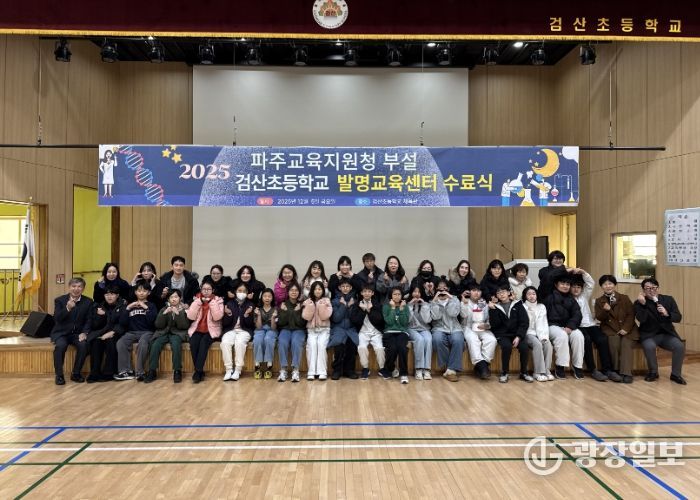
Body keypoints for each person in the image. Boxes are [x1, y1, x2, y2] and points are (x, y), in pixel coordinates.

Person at [570, 270, 622, 382]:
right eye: (573, 287)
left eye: (578, 287)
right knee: (587, 340)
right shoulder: (567, 299)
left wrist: (582, 272)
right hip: (578, 326)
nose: (576, 289)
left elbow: (590, 283)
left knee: (602, 339)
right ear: (570, 288)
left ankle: (607, 370)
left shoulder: (584, 296)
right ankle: (593, 370)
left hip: (591, 324)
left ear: (582, 289)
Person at [634, 278, 686, 385]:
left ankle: (675, 374)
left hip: (666, 333)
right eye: (648, 288)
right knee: (649, 346)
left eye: (654, 287)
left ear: (658, 288)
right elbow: (641, 319)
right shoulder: (639, 302)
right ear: (643, 290)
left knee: (679, 346)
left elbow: (678, 317)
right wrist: (643, 304)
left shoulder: (668, 299)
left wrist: (667, 313)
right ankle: (653, 372)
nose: (651, 290)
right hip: (649, 334)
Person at [594, 275, 638, 384]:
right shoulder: (599, 301)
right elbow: (599, 317)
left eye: (610, 283)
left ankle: (626, 373)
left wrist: (625, 329)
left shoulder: (624, 298)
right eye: (605, 284)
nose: (608, 286)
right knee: (614, 342)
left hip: (628, 329)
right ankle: (616, 371)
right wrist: (605, 310)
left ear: (614, 285)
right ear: (601, 286)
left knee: (626, 344)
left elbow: (631, 315)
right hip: (610, 329)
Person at [50, 277, 93, 385]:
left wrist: (85, 332)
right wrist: (67, 308)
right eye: (74, 286)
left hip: (77, 334)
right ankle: (59, 375)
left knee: (83, 345)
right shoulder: (60, 300)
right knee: (60, 346)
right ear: (69, 287)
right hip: (61, 333)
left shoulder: (88, 302)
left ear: (83, 288)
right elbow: (57, 319)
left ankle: (76, 373)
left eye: (79, 286)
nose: (76, 289)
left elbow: (89, 320)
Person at [488, 285, 533, 383]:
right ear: (496, 296)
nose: (501, 294)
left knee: (524, 347)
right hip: (502, 334)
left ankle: (524, 372)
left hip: (517, 333)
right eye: (499, 293)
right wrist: (493, 310)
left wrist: (519, 336)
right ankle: (504, 372)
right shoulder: (495, 307)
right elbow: (495, 324)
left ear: (509, 293)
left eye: (503, 292)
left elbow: (524, 322)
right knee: (506, 346)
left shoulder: (518, 305)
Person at [543, 274, 585, 379]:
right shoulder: (548, 296)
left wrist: (570, 326)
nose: (565, 286)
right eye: (562, 283)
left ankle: (577, 366)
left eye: (567, 284)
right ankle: (560, 366)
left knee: (578, 335)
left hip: (567, 326)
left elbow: (577, 315)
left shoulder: (571, 299)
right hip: (551, 326)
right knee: (562, 335)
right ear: (556, 285)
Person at [114, 280, 157, 381]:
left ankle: (140, 372)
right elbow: (123, 322)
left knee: (143, 343)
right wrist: (128, 308)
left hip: (147, 332)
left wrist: (145, 307)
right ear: (135, 292)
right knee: (121, 342)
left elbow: (153, 321)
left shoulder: (151, 305)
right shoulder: (130, 305)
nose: (141, 293)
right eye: (139, 291)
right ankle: (126, 371)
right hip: (132, 332)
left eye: (144, 291)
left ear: (149, 293)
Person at [145, 289, 190, 383]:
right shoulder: (164, 309)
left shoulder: (184, 310)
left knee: (176, 345)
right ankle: (152, 371)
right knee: (155, 344)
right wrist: (164, 314)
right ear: (168, 299)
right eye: (171, 297)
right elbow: (158, 325)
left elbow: (184, 326)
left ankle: (177, 371)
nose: (173, 299)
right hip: (163, 332)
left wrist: (178, 314)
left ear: (180, 298)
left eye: (176, 297)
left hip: (177, 333)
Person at [86, 285, 126, 383]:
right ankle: (94, 373)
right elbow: (95, 325)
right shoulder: (99, 306)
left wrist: (113, 331)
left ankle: (109, 373)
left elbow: (123, 323)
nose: (109, 296)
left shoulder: (123, 306)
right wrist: (100, 317)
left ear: (117, 295)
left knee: (111, 341)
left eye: (112, 294)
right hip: (102, 332)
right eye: (107, 294)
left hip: (117, 332)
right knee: (96, 343)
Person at [186, 281, 224, 383]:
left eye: (209, 289)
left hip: (211, 330)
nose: (206, 291)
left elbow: (217, 317)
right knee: (193, 343)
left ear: (213, 290)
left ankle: (198, 371)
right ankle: (199, 371)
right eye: (204, 289)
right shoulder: (196, 299)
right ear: (201, 289)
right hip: (197, 329)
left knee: (203, 343)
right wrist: (198, 302)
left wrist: (211, 302)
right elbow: (190, 316)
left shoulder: (218, 300)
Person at [430, 278, 464, 382]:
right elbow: (435, 316)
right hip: (439, 327)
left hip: (454, 327)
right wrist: (435, 301)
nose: (442, 291)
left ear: (448, 289)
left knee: (458, 340)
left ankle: (451, 370)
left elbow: (453, 313)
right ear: (436, 289)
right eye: (439, 288)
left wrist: (451, 298)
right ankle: (450, 367)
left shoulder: (454, 299)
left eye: (444, 288)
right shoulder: (433, 301)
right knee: (437, 339)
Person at [461, 283, 496, 380]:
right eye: (474, 290)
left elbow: (488, 319)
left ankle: (481, 365)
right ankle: (483, 367)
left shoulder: (484, 303)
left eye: (478, 291)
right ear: (469, 292)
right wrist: (464, 304)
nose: (476, 293)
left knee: (492, 340)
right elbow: (463, 316)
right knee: (473, 340)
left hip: (481, 327)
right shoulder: (465, 301)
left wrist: (487, 325)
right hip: (468, 327)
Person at [221, 282, 256, 381]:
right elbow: (225, 323)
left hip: (244, 330)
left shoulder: (250, 305)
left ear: (247, 293)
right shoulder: (229, 304)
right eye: (240, 291)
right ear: (235, 292)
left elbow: (250, 324)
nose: (242, 293)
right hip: (231, 330)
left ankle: (238, 369)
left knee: (240, 343)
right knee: (225, 343)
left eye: (244, 291)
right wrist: (228, 314)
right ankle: (228, 370)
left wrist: (246, 315)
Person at [350, 283, 386, 379]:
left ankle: (382, 368)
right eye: (365, 291)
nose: (367, 293)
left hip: (376, 332)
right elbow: (354, 320)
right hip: (363, 332)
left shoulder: (377, 304)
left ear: (372, 293)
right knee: (361, 347)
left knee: (379, 348)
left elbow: (380, 320)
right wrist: (363, 310)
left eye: (369, 291)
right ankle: (365, 368)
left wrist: (370, 311)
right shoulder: (357, 304)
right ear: (361, 293)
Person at [329, 277, 360, 380]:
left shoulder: (355, 301)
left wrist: (350, 306)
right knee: (339, 346)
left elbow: (354, 319)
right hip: (338, 329)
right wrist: (343, 305)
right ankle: (337, 370)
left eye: (347, 286)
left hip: (351, 329)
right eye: (343, 286)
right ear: (339, 287)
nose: (345, 288)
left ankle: (349, 370)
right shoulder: (334, 301)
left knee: (352, 345)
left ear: (351, 288)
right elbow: (336, 318)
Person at [522, 286, 554, 382]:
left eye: (533, 294)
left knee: (548, 344)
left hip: (539, 333)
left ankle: (547, 371)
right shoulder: (522, 306)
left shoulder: (541, 306)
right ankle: (538, 372)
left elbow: (543, 323)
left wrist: (543, 337)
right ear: (525, 296)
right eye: (529, 294)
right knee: (537, 344)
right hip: (528, 333)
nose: (531, 296)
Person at [302, 281, 333, 380]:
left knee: (321, 346)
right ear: (312, 290)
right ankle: (311, 372)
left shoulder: (327, 301)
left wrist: (320, 305)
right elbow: (306, 317)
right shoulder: (308, 302)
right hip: (312, 330)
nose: (317, 291)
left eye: (319, 289)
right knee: (312, 346)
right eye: (315, 289)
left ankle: (322, 372)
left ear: (323, 290)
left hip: (324, 329)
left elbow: (325, 316)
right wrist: (310, 306)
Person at [276, 282, 306, 382]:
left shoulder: (302, 305)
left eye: (296, 290)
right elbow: (281, 322)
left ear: (299, 292)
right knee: (282, 342)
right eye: (291, 290)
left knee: (296, 342)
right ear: (288, 292)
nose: (294, 292)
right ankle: (283, 369)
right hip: (285, 329)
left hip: (299, 330)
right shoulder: (283, 304)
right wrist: (285, 311)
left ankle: (296, 370)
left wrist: (297, 312)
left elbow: (301, 323)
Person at [382, 287, 411, 384]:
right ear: (391, 296)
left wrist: (402, 309)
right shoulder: (386, 307)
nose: (397, 296)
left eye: (399, 294)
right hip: (389, 332)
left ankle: (403, 374)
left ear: (402, 296)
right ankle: (391, 368)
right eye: (395, 294)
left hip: (402, 332)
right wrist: (393, 308)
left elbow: (404, 323)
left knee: (402, 348)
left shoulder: (405, 306)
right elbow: (389, 322)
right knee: (392, 348)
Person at [407, 285, 433, 380]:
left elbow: (427, 320)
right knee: (420, 339)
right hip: (411, 329)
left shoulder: (426, 304)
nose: (416, 294)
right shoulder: (407, 304)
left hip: (424, 328)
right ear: (411, 293)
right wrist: (410, 306)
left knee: (428, 340)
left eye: (418, 292)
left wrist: (424, 306)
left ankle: (427, 369)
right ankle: (418, 368)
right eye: (414, 292)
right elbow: (407, 320)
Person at [252, 288, 278, 379]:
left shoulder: (275, 309)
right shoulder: (257, 309)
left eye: (269, 296)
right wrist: (259, 315)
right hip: (260, 330)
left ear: (272, 298)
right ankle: (257, 365)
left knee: (268, 339)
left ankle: (269, 365)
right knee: (258, 339)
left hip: (271, 330)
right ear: (261, 297)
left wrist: (273, 318)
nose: (267, 298)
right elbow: (259, 327)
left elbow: (273, 328)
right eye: (265, 296)